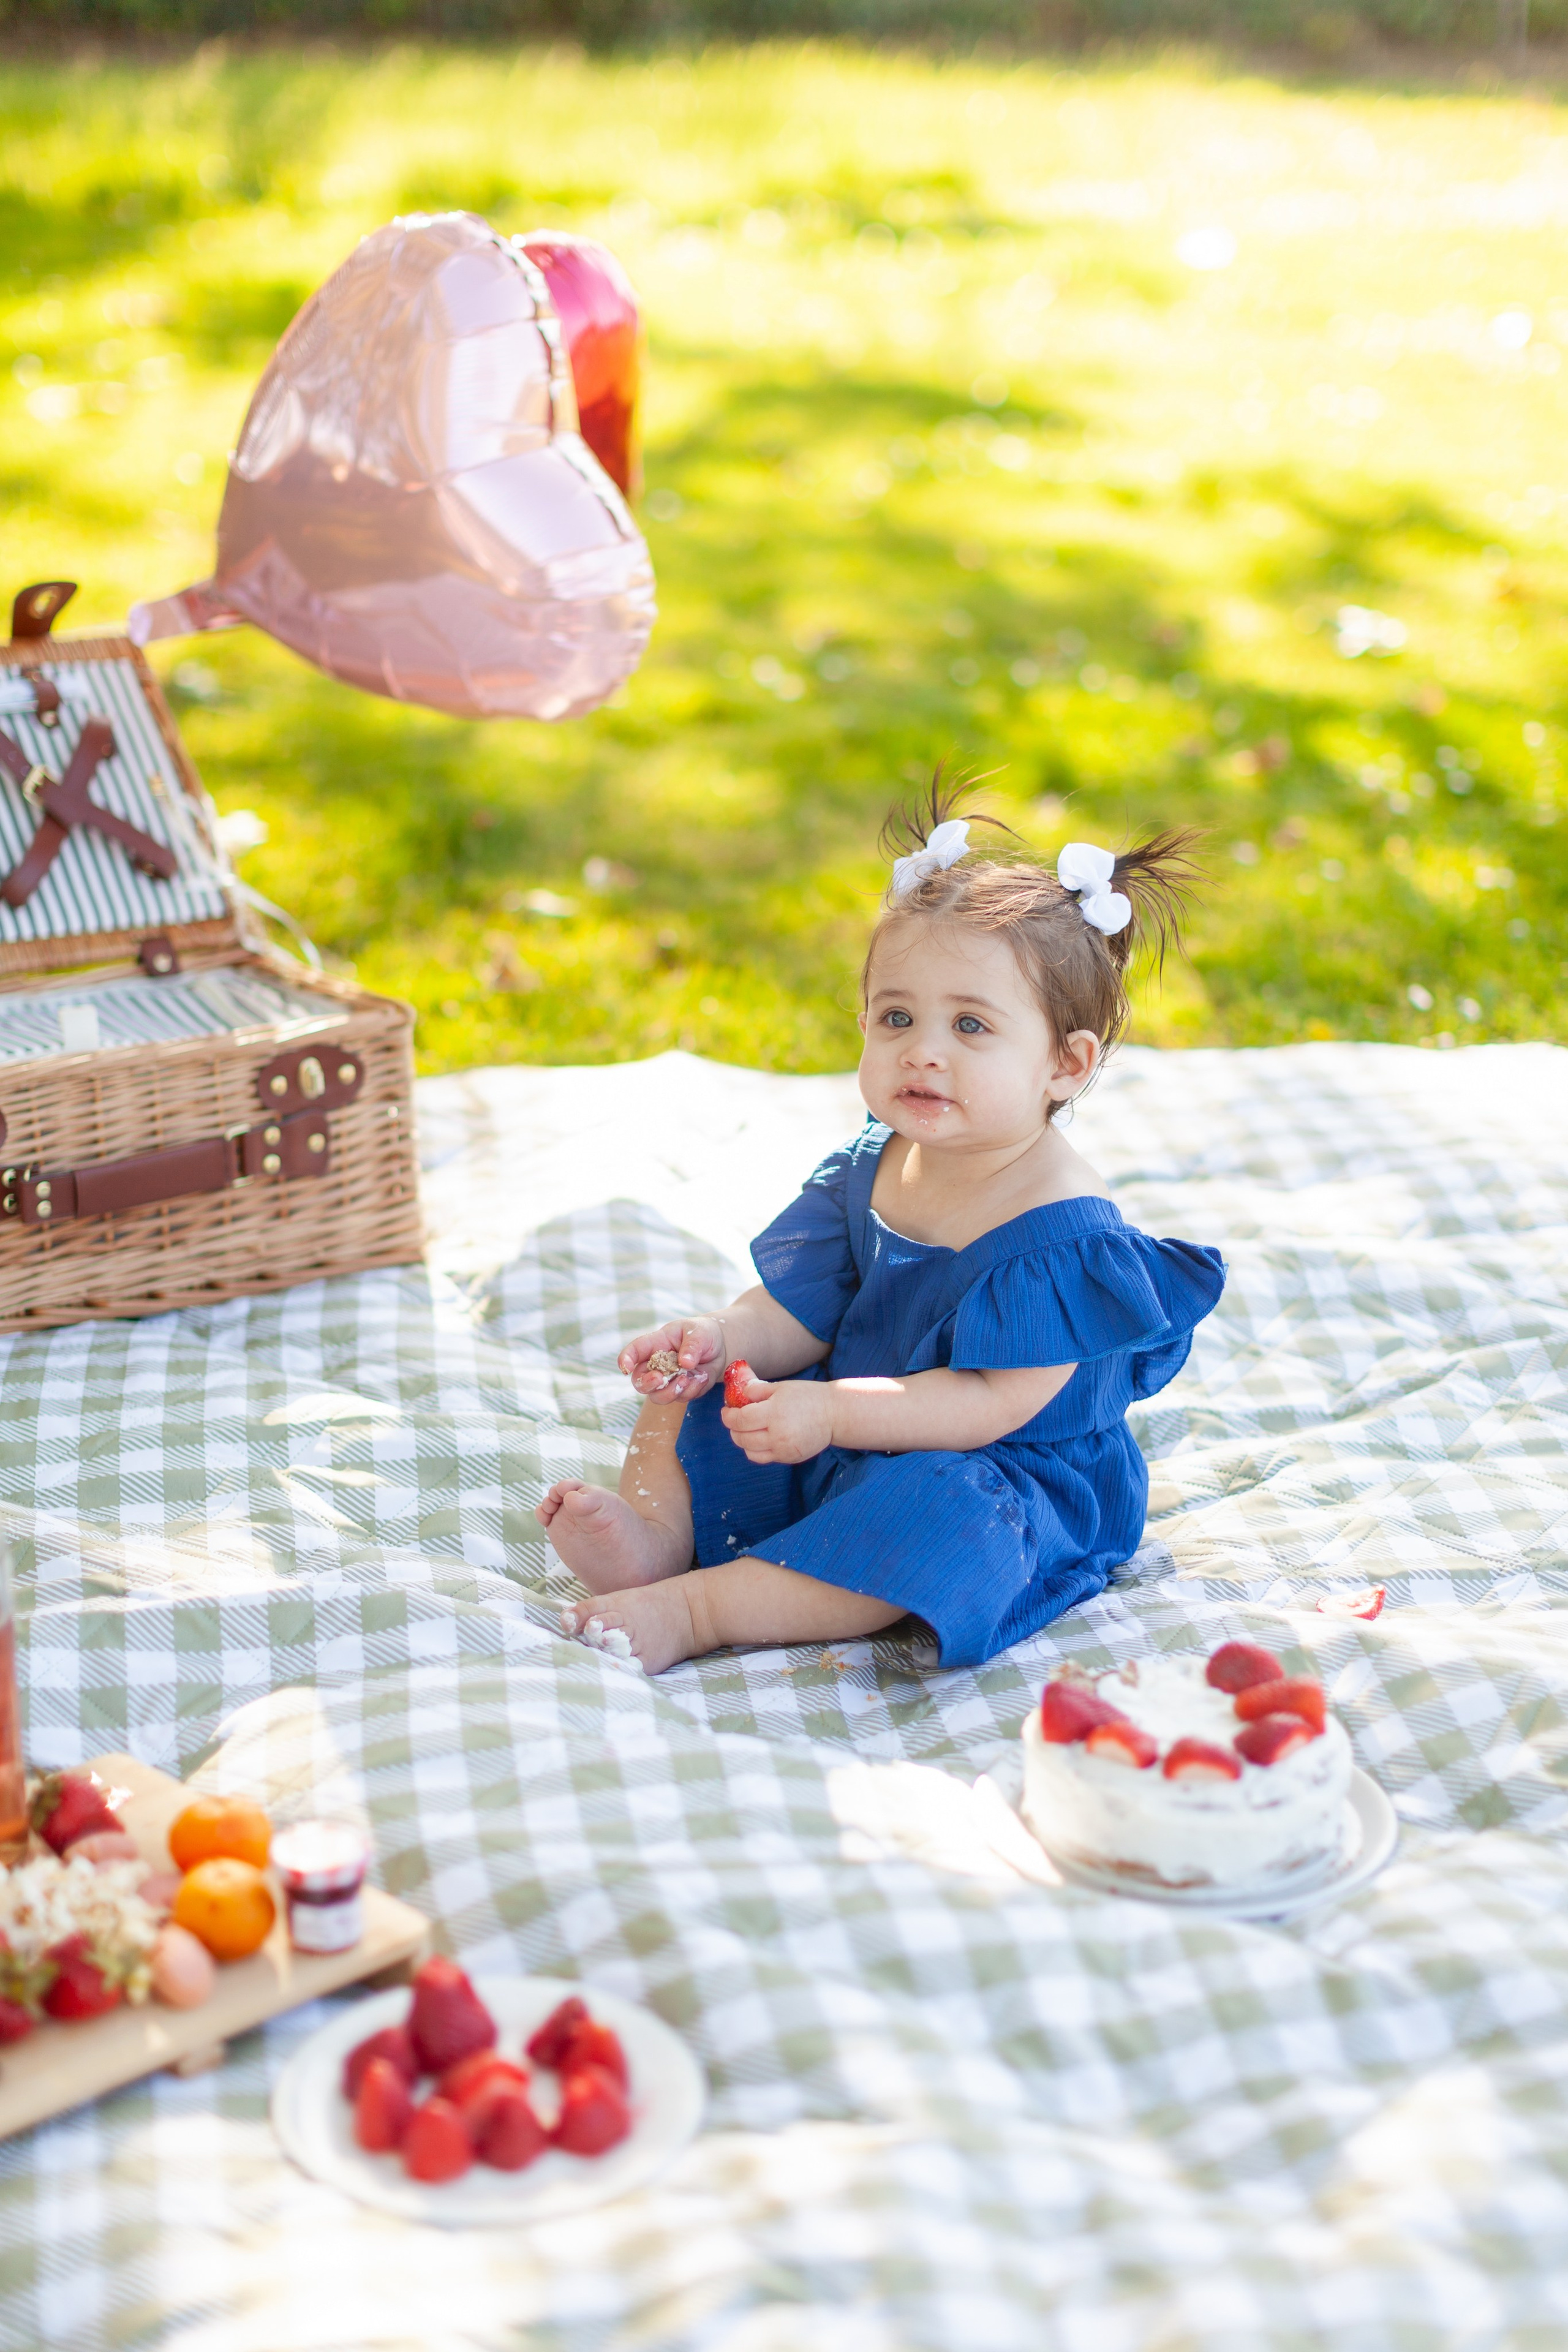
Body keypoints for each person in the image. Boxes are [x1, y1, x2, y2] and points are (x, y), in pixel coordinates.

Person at [538, 782, 1226, 1675]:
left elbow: (987, 1403)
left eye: (971, 1025)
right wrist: (721, 1339)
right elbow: (800, 1311)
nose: (922, 1050)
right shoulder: (878, 1158)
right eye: (897, 1017)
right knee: (699, 1387)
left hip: (997, 1470)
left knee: (936, 1524)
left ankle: (700, 1608)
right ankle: (656, 1538)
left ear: (1065, 1063)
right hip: (847, 1418)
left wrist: (830, 1412)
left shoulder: (1062, 1235)